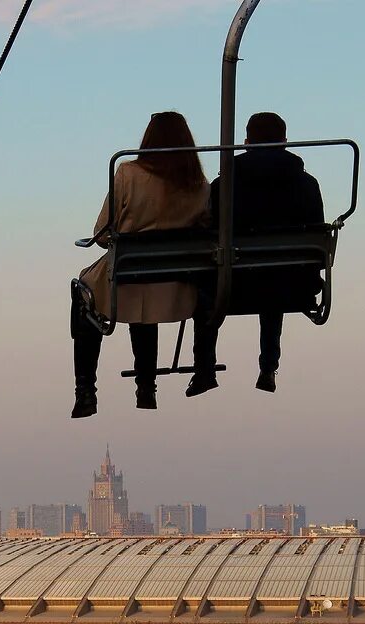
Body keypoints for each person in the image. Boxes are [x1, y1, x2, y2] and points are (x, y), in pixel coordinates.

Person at [71, 111, 210, 418]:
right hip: (174, 287)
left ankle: (85, 390)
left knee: (84, 293)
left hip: (126, 275)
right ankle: (146, 385)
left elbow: (103, 233)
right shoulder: (198, 184)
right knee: (144, 303)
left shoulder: (128, 174)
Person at [187, 111, 325, 396]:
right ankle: (268, 365)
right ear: (285, 142)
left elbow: (208, 234)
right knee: (274, 279)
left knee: (209, 291)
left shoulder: (223, 186)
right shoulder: (307, 185)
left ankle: (204, 369)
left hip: (232, 287)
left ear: (246, 142)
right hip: (292, 286)